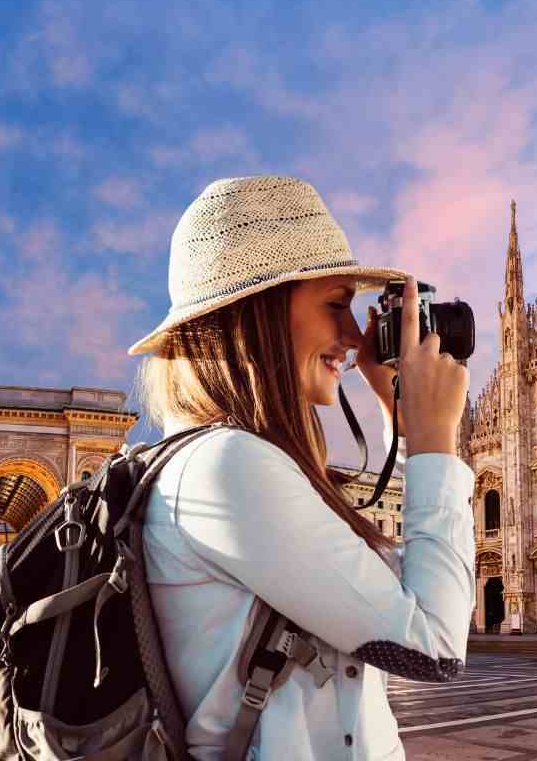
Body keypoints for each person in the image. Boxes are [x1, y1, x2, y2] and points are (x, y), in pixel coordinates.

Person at [130, 176, 474, 760]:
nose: (350, 336)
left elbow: (395, 590)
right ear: (258, 313)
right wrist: (435, 444)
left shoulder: (231, 463)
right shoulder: (227, 467)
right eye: (336, 305)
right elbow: (433, 645)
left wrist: (405, 424)